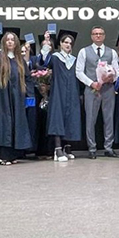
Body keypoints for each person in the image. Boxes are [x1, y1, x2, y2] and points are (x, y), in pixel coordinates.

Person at [0, 30, 33, 165]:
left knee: (15, 124)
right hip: (1, 97)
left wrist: (29, 98)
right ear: (4, 42)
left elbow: (28, 78)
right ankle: (3, 155)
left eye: (12, 40)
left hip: (17, 97)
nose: (10, 42)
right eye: (8, 40)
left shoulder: (19, 60)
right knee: (4, 125)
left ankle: (12, 155)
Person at [76, 26, 119, 159]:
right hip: (91, 89)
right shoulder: (84, 52)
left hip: (108, 89)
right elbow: (79, 72)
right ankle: (92, 148)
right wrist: (91, 83)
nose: (98, 36)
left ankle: (109, 148)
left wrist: (112, 77)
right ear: (91, 36)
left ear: (104, 36)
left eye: (100, 34)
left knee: (109, 118)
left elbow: (117, 70)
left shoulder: (112, 52)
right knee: (90, 119)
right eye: (95, 34)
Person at [40, 29, 81, 162]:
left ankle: (67, 147)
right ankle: (57, 149)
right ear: (60, 44)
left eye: (70, 43)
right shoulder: (55, 57)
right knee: (58, 119)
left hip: (72, 92)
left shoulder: (75, 60)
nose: (68, 45)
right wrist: (46, 44)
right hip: (58, 92)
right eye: (65, 42)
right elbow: (44, 62)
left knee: (70, 118)